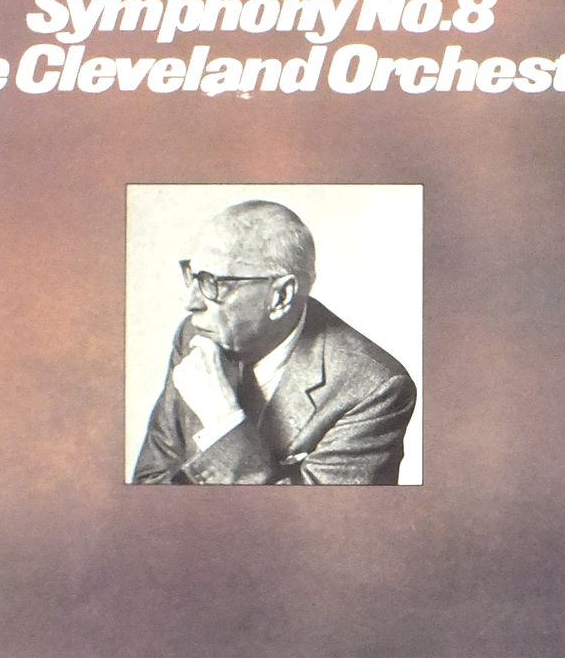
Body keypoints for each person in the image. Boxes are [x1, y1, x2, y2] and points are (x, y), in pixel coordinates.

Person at [132, 199, 416, 485]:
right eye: (192, 276)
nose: (190, 302)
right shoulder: (196, 335)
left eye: (213, 282)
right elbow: (150, 481)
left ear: (281, 296)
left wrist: (223, 420)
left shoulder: (374, 388)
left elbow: (311, 512)